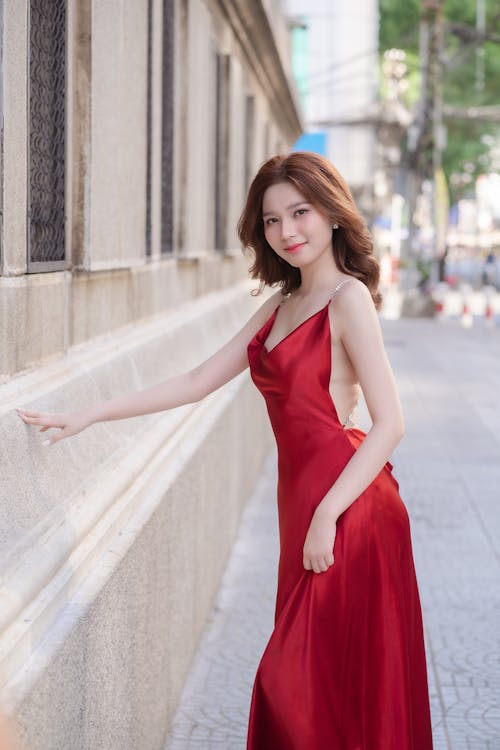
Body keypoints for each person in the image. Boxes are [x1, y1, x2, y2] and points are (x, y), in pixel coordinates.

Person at [17, 152, 434, 749]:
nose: (286, 231)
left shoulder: (349, 299)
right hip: (304, 507)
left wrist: (327, 516)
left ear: (333, 214)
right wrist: (88, 414)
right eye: (271, 220)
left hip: (348, 512)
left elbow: (390, 423)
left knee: (293, 684)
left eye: (300, 212)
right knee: (320, 688)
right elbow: (196, 380)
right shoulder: (280, 307)